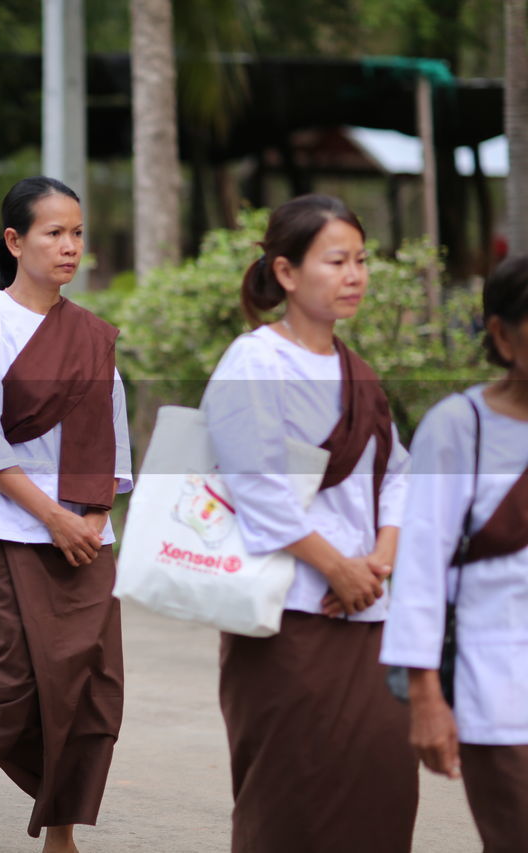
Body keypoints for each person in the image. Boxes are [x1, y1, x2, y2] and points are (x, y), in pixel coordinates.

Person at [200, 195, 417, 852]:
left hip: (371, 611)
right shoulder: (255, 361)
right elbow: (255, 484)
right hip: (288, 617)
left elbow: (398, 474)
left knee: (382, 787)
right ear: (287, 272)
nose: (353, 274)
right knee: (291, 793)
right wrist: (335, 565)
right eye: (336, 260)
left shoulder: (360, 375)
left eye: (360, 260)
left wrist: (379, 557)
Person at [0, 177, 131, 853]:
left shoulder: (93, 335)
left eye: (76, 232)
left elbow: (113, 434)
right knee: (19, 684)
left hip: (89, 536)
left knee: (91, 692)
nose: (70, 246)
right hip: (15, 531)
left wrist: (93, 518)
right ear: (15, 241)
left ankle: (60, 830)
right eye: (54, 232)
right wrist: (55, 518)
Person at [381, 254, 528, 853]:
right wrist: (425, 697)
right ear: (500, 333)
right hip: (500, 689)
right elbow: (419, 568)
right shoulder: (459, 427)